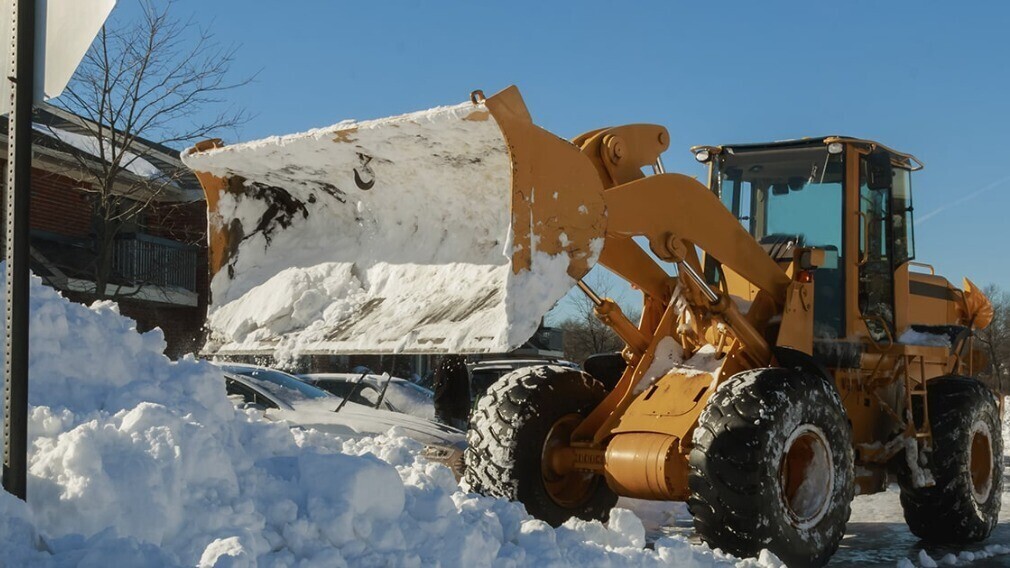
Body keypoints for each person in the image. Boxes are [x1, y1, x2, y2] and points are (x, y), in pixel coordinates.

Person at [432, 355, 471, 430]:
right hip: (453, 414)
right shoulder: (451, 364)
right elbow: (442, 389)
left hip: (457, 414)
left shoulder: (458, 364)